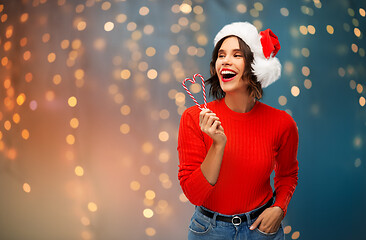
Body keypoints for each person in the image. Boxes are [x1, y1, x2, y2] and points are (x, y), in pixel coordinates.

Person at [177, 22, 299, 240]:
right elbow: (195, 195)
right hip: (209, 230)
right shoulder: (193, 118)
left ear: (255, 66)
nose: (226, 60)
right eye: (221, 55)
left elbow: (287, 174)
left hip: (261, 229)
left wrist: (280, 208)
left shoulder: (282, 123)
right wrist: (217, 144)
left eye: (237, 55)